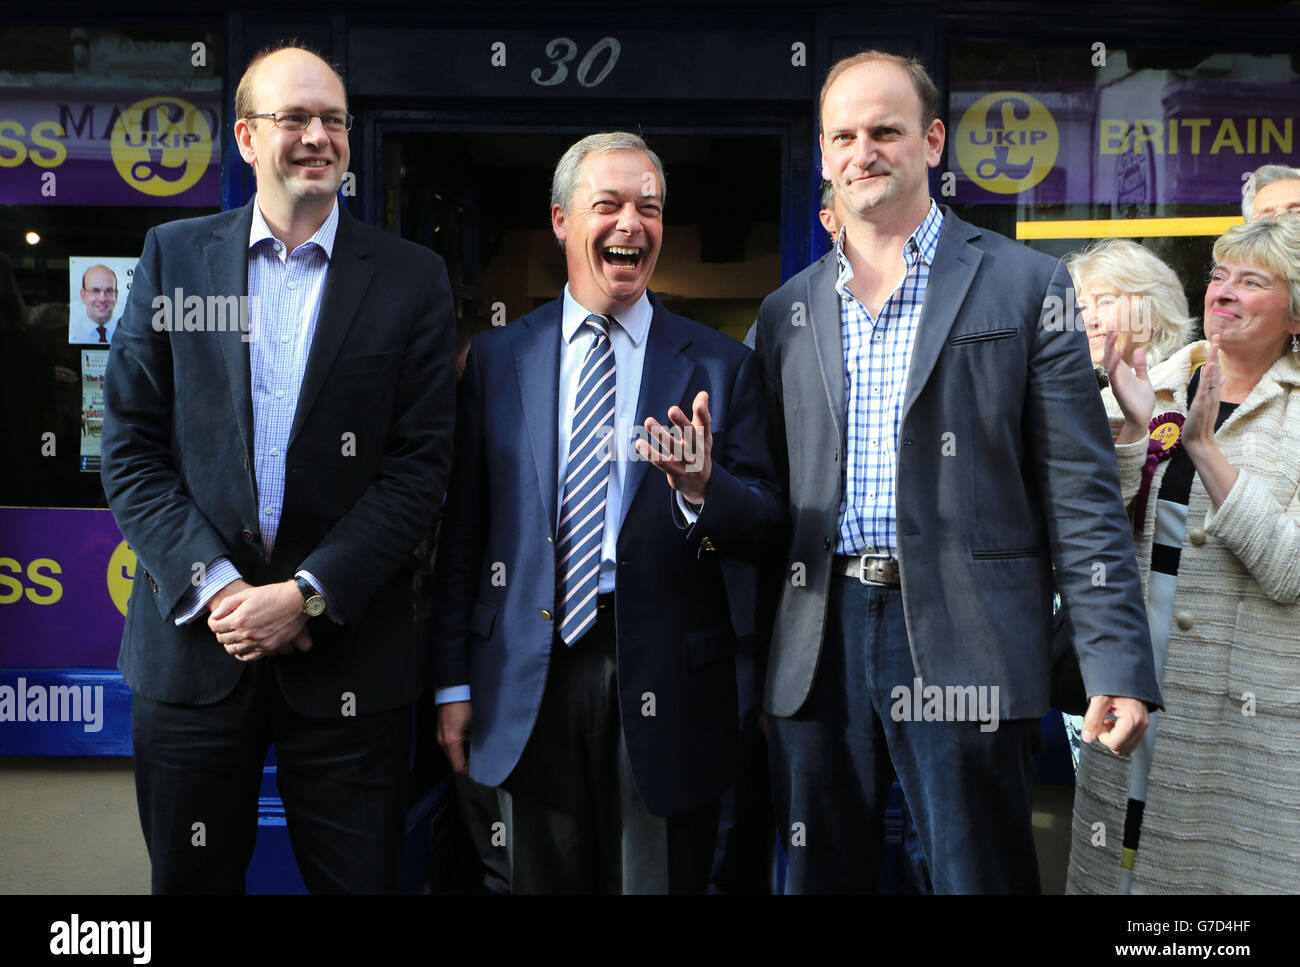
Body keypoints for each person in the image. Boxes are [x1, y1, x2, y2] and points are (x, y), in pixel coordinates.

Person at [751, 49, 1162, 894]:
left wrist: (1115, 661)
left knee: (978, 877)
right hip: (817, 640)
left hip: (969, 639)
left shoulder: (1025, 285)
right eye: (844, 136)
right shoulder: (785, 310)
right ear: (824, 155)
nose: (863, 151)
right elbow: (763, 494)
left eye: (886, 131)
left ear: (933, 141)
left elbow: (1081, 496)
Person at [100, 44, 456, 894]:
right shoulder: (174, 258)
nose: (318, 137)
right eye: (294, 118)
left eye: (333, 119)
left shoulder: (412, 279)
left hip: (347, 664)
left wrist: (305, 595)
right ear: (247, 138)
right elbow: (132, 449)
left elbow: (418, 471)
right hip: (194, 654)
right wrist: (225, 592)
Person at [431, 131, 782, 894]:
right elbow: (464, 536)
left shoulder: (722, 366)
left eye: (649, 209)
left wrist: (700, 489)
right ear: (561, 220)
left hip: (666, 680)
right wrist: (452, 685)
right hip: (524, 678)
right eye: (609, 205)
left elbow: (767, 528)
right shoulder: (496, 361)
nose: (631, 224)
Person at [1069, 216, 1300, 894]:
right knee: (1119, 873)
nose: (1223, 294)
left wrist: (1206, 451)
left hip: (1249, 714)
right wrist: (1133, 433)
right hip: (1134, 687)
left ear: (1295, 313)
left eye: (1251, 282)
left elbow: (1290, 571)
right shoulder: (1156, 383)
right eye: (1218, 277)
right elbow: (1089, 539)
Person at [1066, 239, 1195, 376]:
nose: (1088, 322)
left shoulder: (1189, 387)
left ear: (1152, 313)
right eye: (1083, 307)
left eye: (1105, 302)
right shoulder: (1086, 390)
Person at [69, 264, 119, 344]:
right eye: (95, 291)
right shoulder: (72, 332)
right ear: (83, 295)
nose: (102, 299)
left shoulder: (129, 332)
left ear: (116, 295)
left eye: (109, 291)